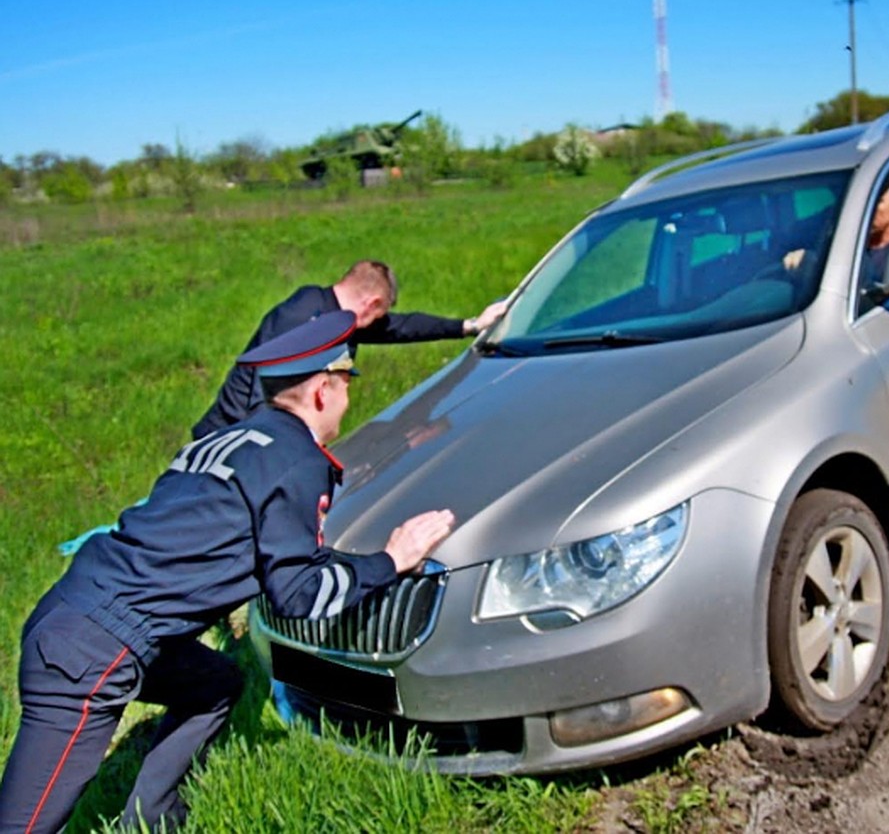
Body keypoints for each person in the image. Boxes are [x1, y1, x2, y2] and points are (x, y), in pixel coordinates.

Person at [0, 311, 456, 833]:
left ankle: (152, 819)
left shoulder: (231, 440)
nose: (348, 400)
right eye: (346, 384)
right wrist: (392, 560)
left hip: (84, 614)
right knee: (26, 824)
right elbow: (300, 594)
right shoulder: (295, 459)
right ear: (323, 390)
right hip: (93, 649)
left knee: (213, 683)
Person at [192, 259, 508, 439]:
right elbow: (265, 392)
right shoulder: (301, 316)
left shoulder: (337, 318)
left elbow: (402, 327)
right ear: (371, 303)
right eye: (380, 313)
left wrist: (469, 325)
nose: (381, 323)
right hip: (229, 439)